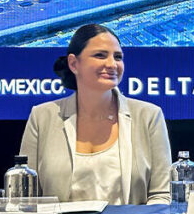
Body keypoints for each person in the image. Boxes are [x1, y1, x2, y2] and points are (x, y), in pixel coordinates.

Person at [20, 24, 171, 204]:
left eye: (118, 57)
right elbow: (27, 198)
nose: (112, 64)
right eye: (100, 55)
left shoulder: (149, 116)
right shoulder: (42, 117)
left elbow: (161, 195)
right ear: (74, 64)